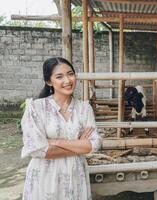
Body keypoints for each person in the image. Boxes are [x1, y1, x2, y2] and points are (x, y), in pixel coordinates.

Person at [21, 57, 101, 200]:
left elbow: (93, 145)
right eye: (59, 76)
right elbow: (37, 149)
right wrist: (78, 145)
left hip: (76, 175)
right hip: (45, 177)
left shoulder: (84, 108)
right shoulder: (36, 108)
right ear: (49, 81)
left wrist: (54, 142)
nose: (68, 80)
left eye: (70, 74)